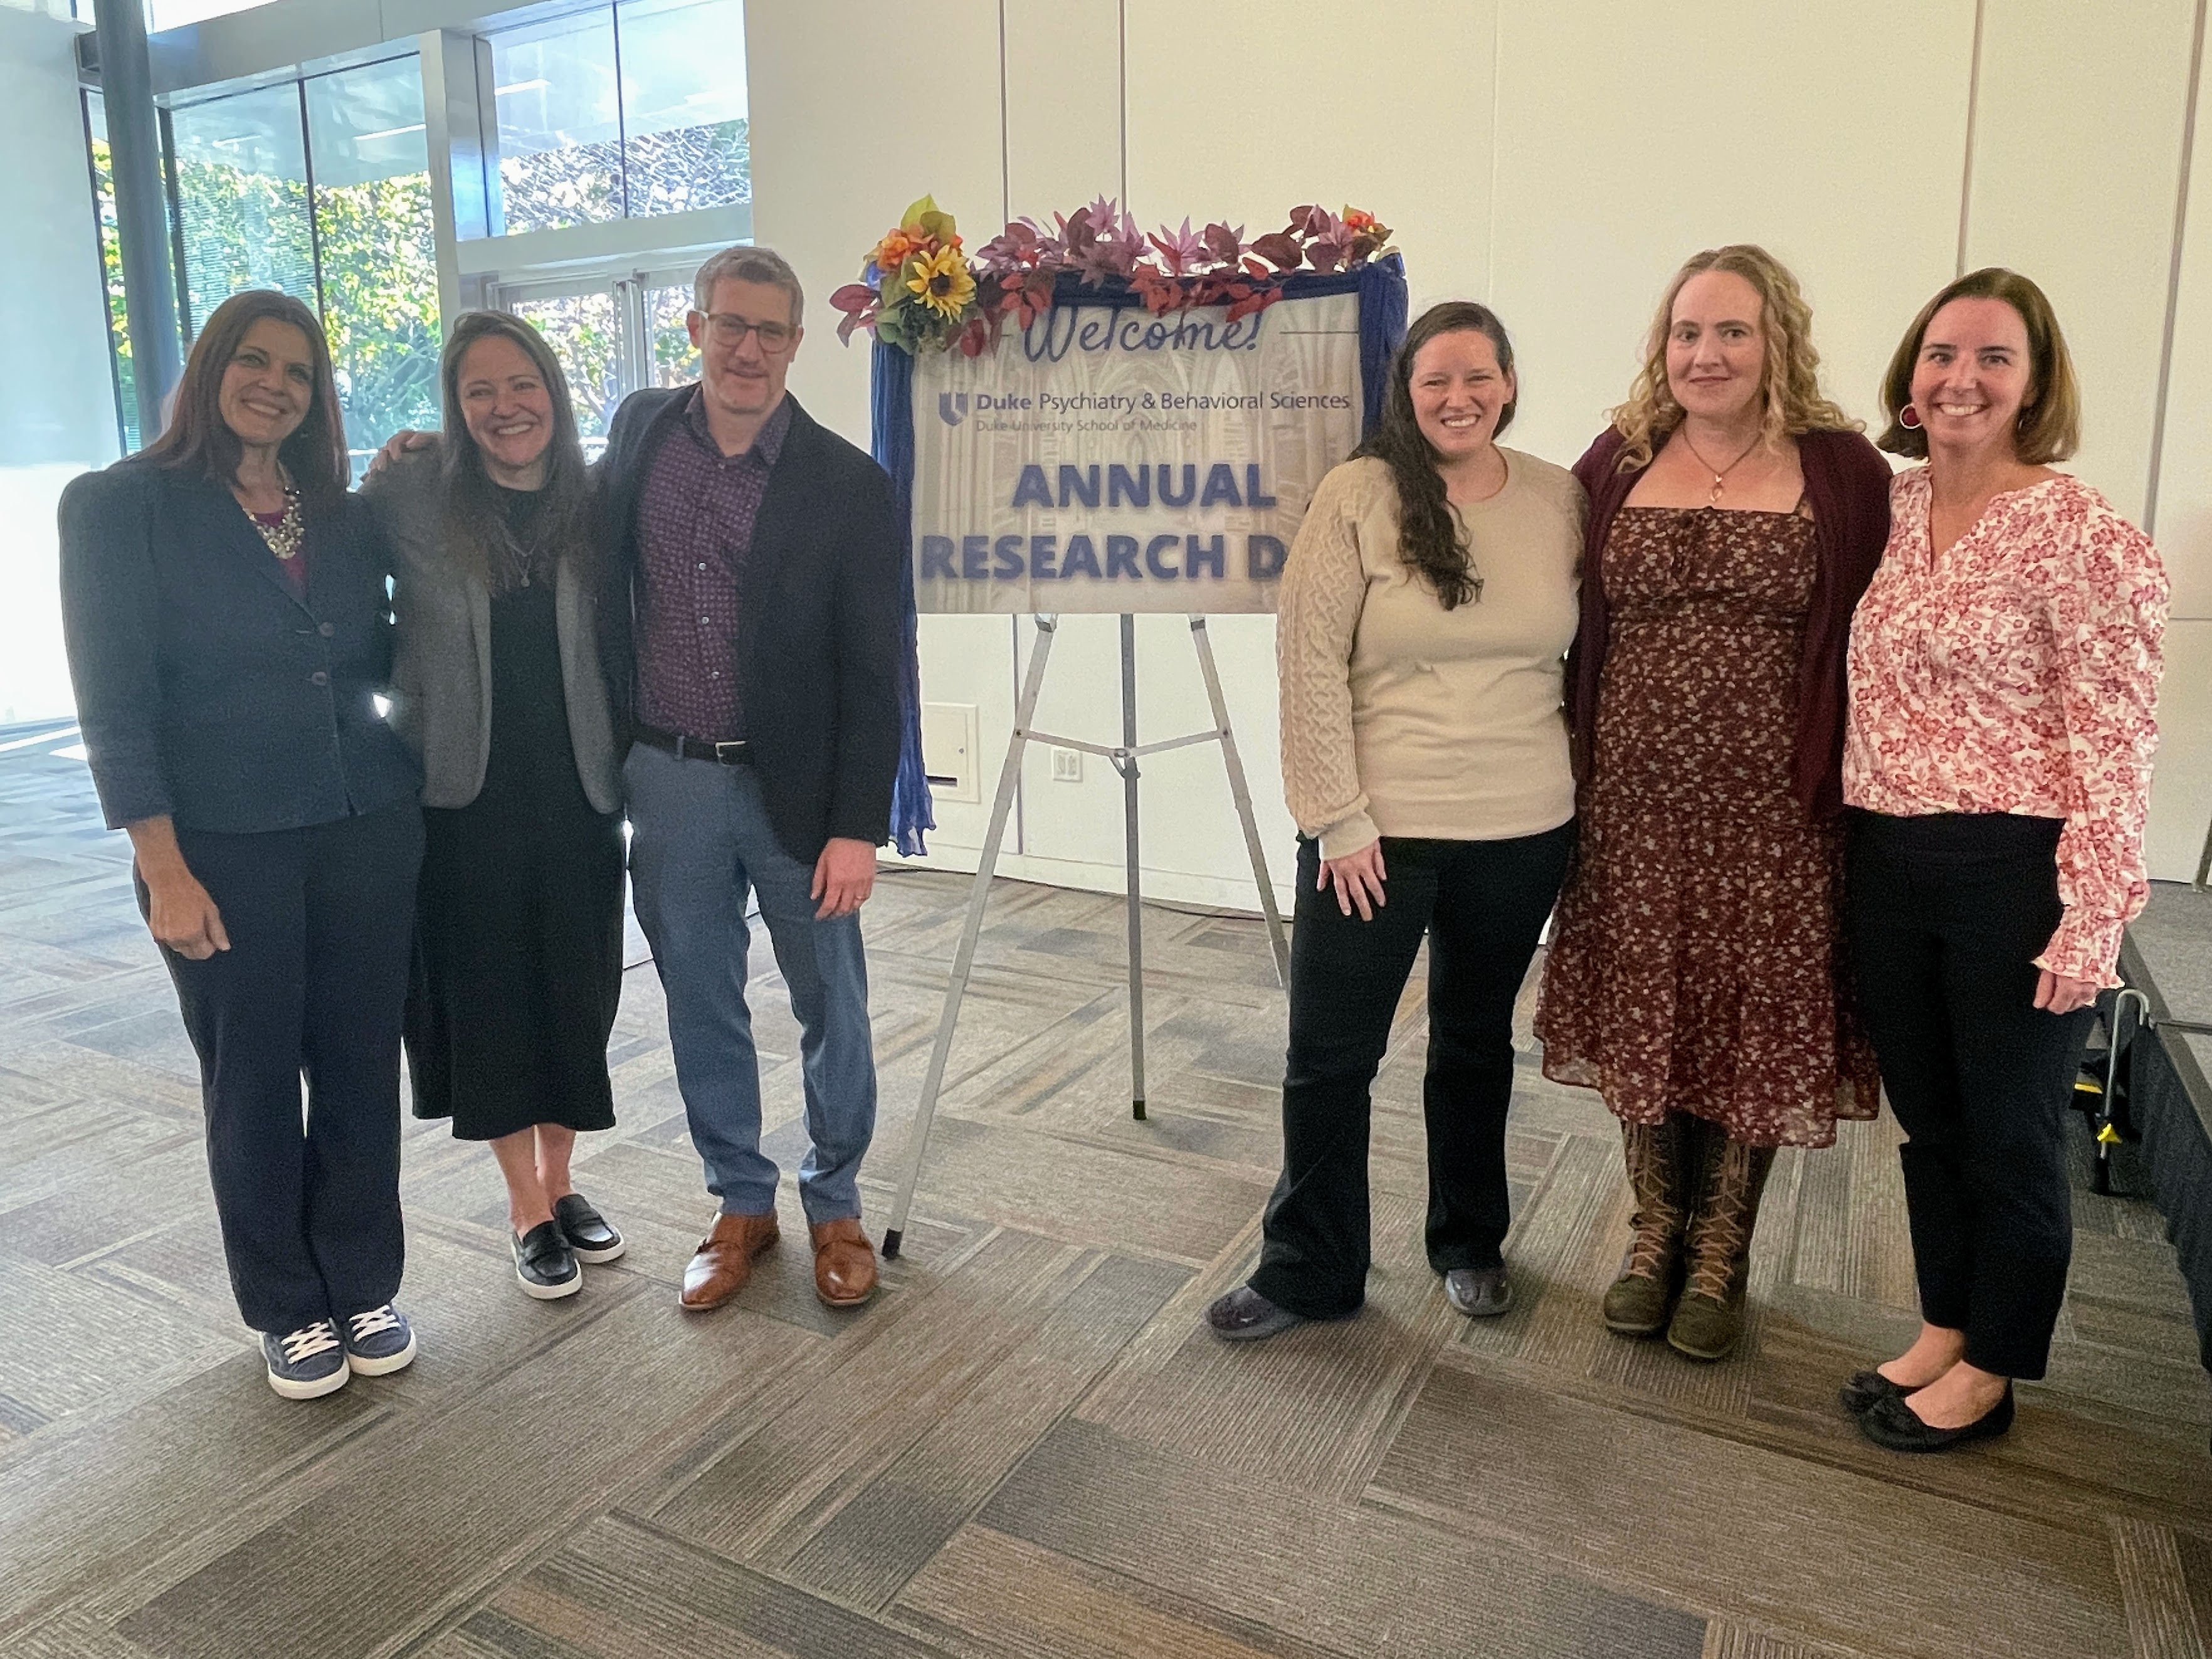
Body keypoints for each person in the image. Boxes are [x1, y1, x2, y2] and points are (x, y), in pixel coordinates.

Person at [58, 290, 424, 1399]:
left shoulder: (343, 514)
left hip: (364, 827)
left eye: (300, 372)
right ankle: (285, 1301)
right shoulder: (126, 507)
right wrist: (160, 868)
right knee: (253, 1074)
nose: (276, 384)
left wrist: (415, 468)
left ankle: (363, 1279)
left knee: (361, 1065)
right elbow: (113, 703)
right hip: (219, 847)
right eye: (255, 362)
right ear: (213, 368)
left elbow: (386, 650)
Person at [1535, 245, 1892, 1361]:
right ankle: (1654, 1234)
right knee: (1647, 1001)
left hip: (1778, 813)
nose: (1706, 354)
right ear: (1663, 347)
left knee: (1751, 1018)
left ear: (1776, 339)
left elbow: (1882, 629)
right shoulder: (1619, 456)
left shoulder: (1841, 468)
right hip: (1631, 804)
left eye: (1732, 332)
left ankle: (1720, 1248)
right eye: (1687, 333)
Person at [1206, 302, 1586, 1342]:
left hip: (1524, 826)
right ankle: (1310, 1266)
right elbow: (1308, 658)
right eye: (1435, 381)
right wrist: (1336, 816)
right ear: (1406, 392)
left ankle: (1468, 1241)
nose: (1457, 398)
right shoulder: (1359, 494)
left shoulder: (1561, 498)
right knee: (1330, 1054)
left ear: (1509, 382)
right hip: (1375, 832)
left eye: (1478, 378)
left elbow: (1584, 659)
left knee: (1474, 1044)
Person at [1840, 269, 2166, 1451]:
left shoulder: (2083, 536)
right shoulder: (1888, 505)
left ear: (2035, 383)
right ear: (1911, 377)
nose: (1959, 379)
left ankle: (1996, 1367)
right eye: (1940, 355)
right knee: (1930, 1119)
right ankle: (1945, 1325)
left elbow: (2118, 740)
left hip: (2014, 866)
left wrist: (2094, 915)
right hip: (1886, 853)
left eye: (1992, 358)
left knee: (2013, 1130)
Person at [598, 245, 903, 1312]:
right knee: (701, 1000)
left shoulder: (848, 484)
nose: (749, 348)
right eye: (731, 323)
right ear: (694, 327)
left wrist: (859, 824)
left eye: (772, 330)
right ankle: (740, 1200)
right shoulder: (639, 433)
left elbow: (877, 669)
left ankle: (836, 1199)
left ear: (797, 343)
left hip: (802, 794)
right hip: (668, 779)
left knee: (831, 1001)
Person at [366, 311, 628, 1302]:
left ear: (553, 392)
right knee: (490, 1001)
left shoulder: (598, 495)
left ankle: (563, 1181)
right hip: (459, 795)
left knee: (577, 991)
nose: (503, 406)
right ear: (454, 404)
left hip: (580, 790)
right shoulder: (408, 494)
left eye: (521, 384)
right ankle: (524, 1205)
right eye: (479, 390)